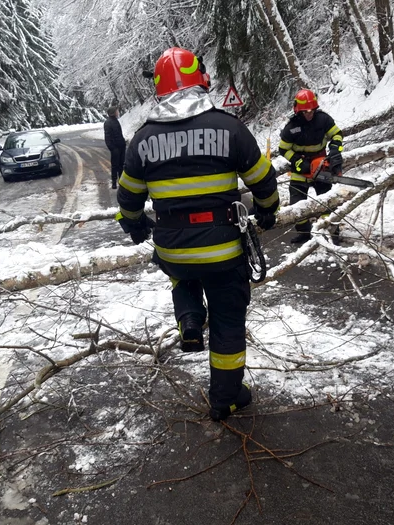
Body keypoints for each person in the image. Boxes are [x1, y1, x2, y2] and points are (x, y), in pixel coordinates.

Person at [116, 47, 279, 421]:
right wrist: (268, 210)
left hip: (173, 248)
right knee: (227, 322)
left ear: (159, 89)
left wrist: (135, 224)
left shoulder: (142, 140)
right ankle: (226, 398)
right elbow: (262, 180)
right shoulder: (229, 128)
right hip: (223, 251)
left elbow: (127, 198)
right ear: (201, 81)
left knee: (180, 270)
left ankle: (189, 317)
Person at [278, 89, 343, 244]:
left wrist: (335, 150)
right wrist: (297, 161)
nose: (310, 114)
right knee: (297, 204)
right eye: (306, 111)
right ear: (298, 111)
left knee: (326, 201)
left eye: (312, 110)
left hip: (320, 165)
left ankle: (333, 232)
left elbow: (337, 135)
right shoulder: (291, 127)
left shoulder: (323, 120)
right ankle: (304, 233)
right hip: (300, 169)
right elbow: (283, 149)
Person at [104, 106, 126, 189]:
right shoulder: (108, 123)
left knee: (121, 165)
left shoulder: (116, 121)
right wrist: (112, 148)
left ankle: (121, 181)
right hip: (115, 148)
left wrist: (123, 142)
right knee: (115, 166)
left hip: (121, 147)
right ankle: (114, 182)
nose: (118, 112)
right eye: (117, 111)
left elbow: (119, 134)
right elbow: (107, 138)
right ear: (113, 112)